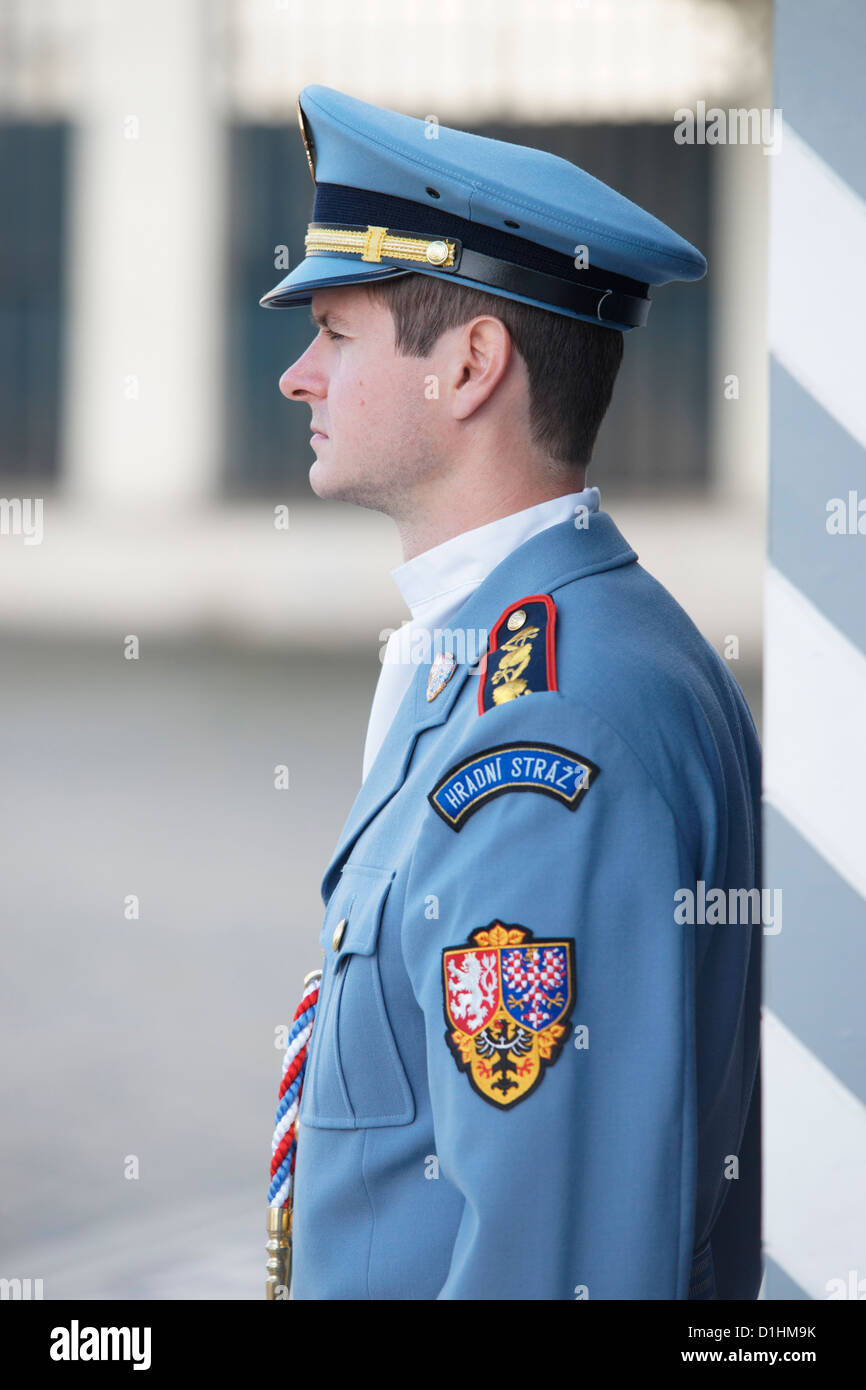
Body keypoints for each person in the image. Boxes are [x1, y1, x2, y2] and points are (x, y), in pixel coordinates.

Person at [262, 84, 762, 1301]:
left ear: (471, 365)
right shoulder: (522, 654)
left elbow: (559, 1266)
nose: (295, 376)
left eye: (334, 331)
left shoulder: (550, 725)